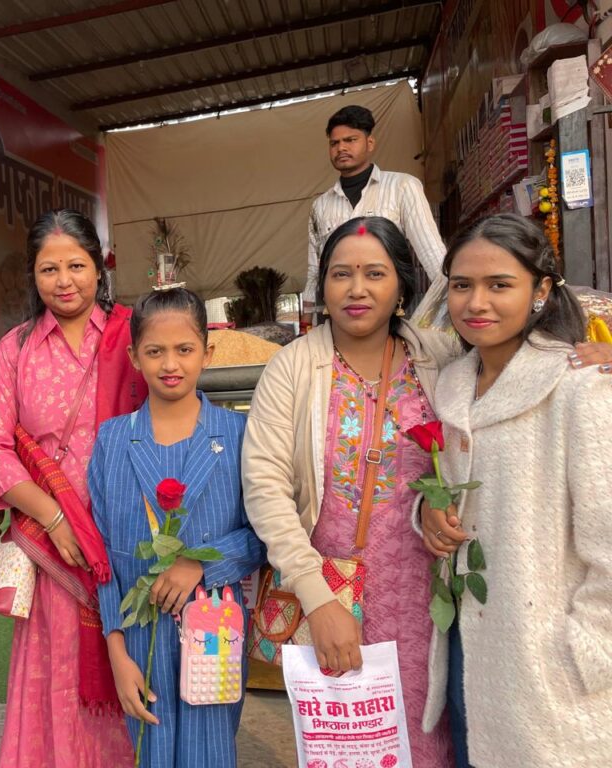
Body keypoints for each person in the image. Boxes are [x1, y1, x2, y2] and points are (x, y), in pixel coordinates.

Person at [245, 216, 461, 766]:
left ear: (402, 286)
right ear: (322, 289)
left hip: (424, 603)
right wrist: (317, 601)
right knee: (343, 746)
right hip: (328, 593)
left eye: (374, 273)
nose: (357, 288)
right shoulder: (292, 368)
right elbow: (265, 488)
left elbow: (515, 351)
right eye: (341, 274)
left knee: (427, 739)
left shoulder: (439, 359)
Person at [417, 214, 612, 767]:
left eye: (499, 285)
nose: (477, 302)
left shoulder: (579, 387)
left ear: (542, 291)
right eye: (462, 285)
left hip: (549, 671)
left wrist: (587, 651)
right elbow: (447, 489)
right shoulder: (453, 384)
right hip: (468, 654)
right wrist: (428, 513)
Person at [0, 208, 145, 767]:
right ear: (33, 274)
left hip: (126, 535)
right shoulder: (16, 349)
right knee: (52, 667)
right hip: (50, 541)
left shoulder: (133, 334)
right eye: (49, 269)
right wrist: (54, 518)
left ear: (99, 267)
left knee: (129, 661)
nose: (64, 280)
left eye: (76, 265)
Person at [88, 287, 265, 767]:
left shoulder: (238, 435)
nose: (171, 363)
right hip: (139, 638)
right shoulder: (113, 441)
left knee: (211, 752)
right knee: (151, 749)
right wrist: (117, 652)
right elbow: (102, 556)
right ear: (134, 357)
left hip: (215, 632)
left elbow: (263, 532)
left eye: (184, 349)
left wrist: (199, 566)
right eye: (155, 351)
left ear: (207, 353)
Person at [303, 105, 446, 321]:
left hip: (389, 311)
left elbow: (433, 256)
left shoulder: (403, 187)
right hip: (340, 317)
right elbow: (315, 270)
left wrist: (444, 313)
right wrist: (306, 322)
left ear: (370, 143)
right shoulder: (320, 206)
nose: (341, 148)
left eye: (350, 140)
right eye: (335, 143)